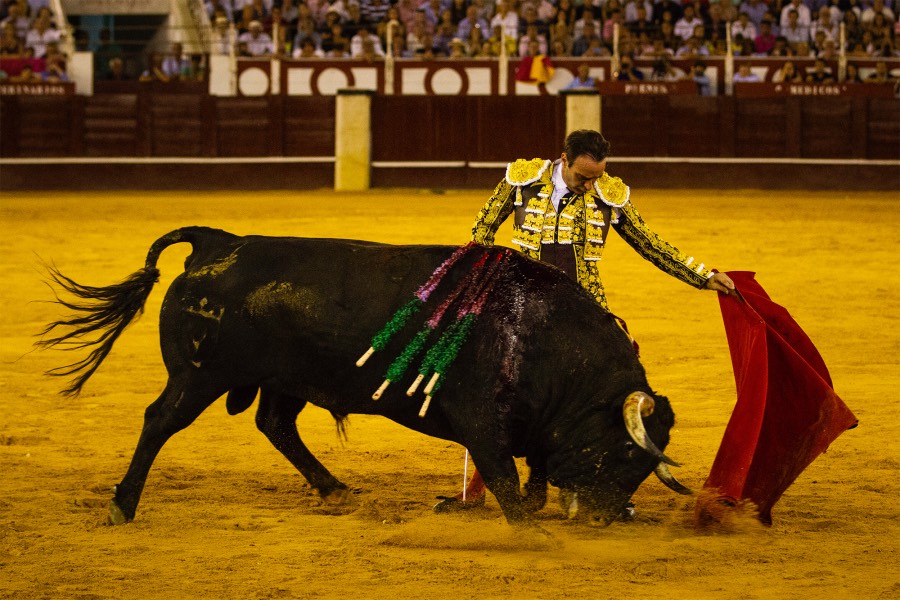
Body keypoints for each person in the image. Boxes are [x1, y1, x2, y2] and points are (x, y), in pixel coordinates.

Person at [435, 130, 735, 511]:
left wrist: (702, 275)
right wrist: (487, 280)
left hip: (583, 311)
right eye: (584, 177)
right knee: (491, 390)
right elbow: (482, 232)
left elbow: (650, 243)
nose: (590, 185)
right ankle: (476, 491)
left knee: (600, 394)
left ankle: (597, 485)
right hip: (521, 304)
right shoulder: (523, 180)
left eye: (597, 177)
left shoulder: (608, 194)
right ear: (564, 159)